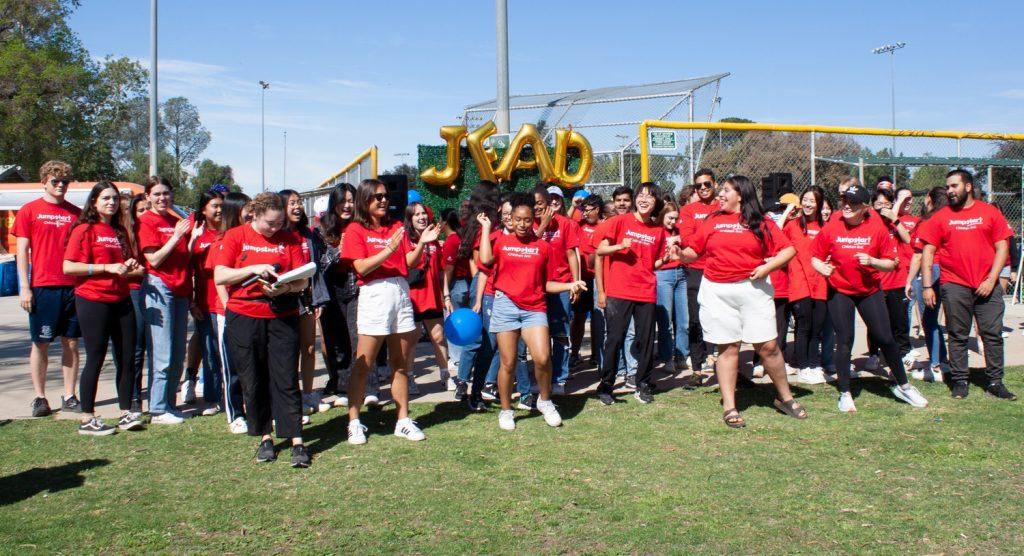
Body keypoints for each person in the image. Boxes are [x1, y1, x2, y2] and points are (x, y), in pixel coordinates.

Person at [679, 176, 804, 427]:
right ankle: (729, 406)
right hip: (717, 291)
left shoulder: (761, 222)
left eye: (725, 191)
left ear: (740, 195)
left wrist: (768, 267)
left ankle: (785, 397)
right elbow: (694, 252)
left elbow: (788, 250)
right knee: (728, 347)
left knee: (768, 346)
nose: (720, 195)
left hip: (754, 291)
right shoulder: (713, 220)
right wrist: (679, 254)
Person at [212, 192, 311, 467]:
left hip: (282, 314)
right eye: (270, 223)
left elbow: (302, 280)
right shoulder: (235, 236)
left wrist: (287, 286)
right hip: (244, 315)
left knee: (286, 377)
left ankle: (297, 441)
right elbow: (220, 275)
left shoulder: (289, 238)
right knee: (253, 379)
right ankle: (265, 437)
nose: (275, 229)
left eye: (279, 223)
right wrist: (254, 268)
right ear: (254, 215)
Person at [811, 184, 929, 412]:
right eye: (844, 200)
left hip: (869, 290)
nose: (846, 206)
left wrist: (873, 262)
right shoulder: (833, 223)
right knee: (844, 339)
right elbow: (814, 256)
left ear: (865, 207)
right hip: (840, 290)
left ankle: (903, 385)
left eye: (853, 203)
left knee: (885, 337)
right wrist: (821, 268)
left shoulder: (876, 226)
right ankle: (845, 392)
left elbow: (891, 263)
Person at [477, 193, 584, 430]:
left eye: (527, 220)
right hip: (505, 305)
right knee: (508, 362)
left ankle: (545, 402)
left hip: (534, 307)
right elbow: (484, 261)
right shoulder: (501, 241)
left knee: (543, 358)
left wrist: (570, 284)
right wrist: (485, 229)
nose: (523, 224)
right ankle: (506, 411)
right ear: (510, 220)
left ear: (532, 220)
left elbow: (547, 284)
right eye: (518, 220)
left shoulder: (543, 247)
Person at [341, 179, 430, 444]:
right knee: (363, 363)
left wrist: (422, 243)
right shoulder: (356, 230)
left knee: (401, 363)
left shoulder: (396, 227)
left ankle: (402, 419)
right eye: (377, 196)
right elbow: (361, 267)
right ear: (364, 200)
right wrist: (388, 249)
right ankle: (354, 421)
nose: (383, 200)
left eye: (385, 196)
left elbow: (407, 262)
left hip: (400, 292)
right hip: (374, 294)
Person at [917, 169, 1016, 401]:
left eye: (954, 186)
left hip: (987, 284)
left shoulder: (989, 212)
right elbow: (927, 251)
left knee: (992, 334)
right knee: (958, 334)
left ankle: (995, 381)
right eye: (948, 187)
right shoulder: (942, 216)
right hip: (954, 284)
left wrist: (992, 279)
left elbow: (1003, 247)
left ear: (968, 187)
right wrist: (927, 286)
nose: (950, 191)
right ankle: (960, 381)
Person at [62, 182, 144, 434]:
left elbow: (130, 267)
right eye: (106, 198)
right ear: (94, 201)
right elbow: (69, 267)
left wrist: (128, 264)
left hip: (121, 298)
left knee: (127, 357)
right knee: (96, 357)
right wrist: (105, 268)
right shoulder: (84, 229)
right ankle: (88, 417)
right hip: (93, 300)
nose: (111, 202)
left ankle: (125, 413)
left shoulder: (118, 231)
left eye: (115, 199)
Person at [593, 182, 679, 405]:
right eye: (640, 195)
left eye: (649, 197)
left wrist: (667, 259)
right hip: (619, 290)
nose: (643, 199)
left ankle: (643, 384)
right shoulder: (619, 221)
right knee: (614, 338)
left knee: (646, 340)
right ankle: (606, 385)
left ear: (656, 203)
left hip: (646, 292)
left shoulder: (658, 231)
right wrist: (620, 247)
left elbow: (654, 264)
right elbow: (600, 251)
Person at [13, 160, 82, 417]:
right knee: (41, 343)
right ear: (44, 182)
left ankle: (70, 395)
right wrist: (24, 287)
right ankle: (40, 398)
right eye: (55, 181)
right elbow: (21, 251)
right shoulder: (29, 211)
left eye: (65, 181)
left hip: (73, 287)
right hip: (43, 286)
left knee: (71, 343)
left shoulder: (76, 214)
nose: (61, 185)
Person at [280, 189, 329, 417]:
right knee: (289, 351)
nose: (297, 206)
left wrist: (318, 299)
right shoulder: (277, 235)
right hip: (284, 299)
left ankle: (308, 394)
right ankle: (291, 398)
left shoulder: (308, 235)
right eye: (292, 203)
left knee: (308, 348)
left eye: (299, 202)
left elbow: (316, 270)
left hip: (307, 299)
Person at [209, 191, 251, 433]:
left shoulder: (251, 238)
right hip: (229, 313)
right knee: (232, 366)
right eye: (247, 209)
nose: (251, 213)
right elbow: (219, 281)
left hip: (250, 312)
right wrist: (230, 309)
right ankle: (235, 414)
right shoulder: (222, 241)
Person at [534, 186, 581, 394]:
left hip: (561, 286)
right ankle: (542, 378)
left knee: (560, 334)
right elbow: (529, 246)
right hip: (535, 288)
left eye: (542, 203)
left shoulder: (566, 224)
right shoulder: (527, 223)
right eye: (534, 203)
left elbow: (572, 254)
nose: (538, 207)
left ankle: (559, 379)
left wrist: (576, 282)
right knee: (539, 336)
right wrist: (543, 225)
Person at [865, 188, 917, 373]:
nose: (883, 208)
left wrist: (895, 219)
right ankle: (873, 354)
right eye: (879, 204)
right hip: (876, 282)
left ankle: (904, 353)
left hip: (897, 281)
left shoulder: (897, 223)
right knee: (876, 323)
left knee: (899, 321)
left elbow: (908, 239)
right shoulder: (869, 224)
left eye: (887, 204)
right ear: (872, 206)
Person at [677, 169, 720, 383]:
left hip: (721, 268)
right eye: (699, 186)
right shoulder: (688, 210)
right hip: (695, 269)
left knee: (723, 318)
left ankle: (727, 368)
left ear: (715, 184)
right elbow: (687, 240)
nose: (703, 188)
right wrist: (713, 239)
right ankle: (697, 370)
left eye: (707, 184)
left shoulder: (724, 206)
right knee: (695, 320)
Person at [318, 184, 359, 403]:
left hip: (356, 288)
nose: (347, 205)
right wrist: (338, 251)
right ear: (334, 203)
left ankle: (354, 385)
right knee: (335, 340)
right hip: (331, 290)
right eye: (342, 200)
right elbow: (320, 264)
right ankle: (340, 384)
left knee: (355, 338)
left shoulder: (361, 225)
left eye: (351, 200)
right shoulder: (323, 228)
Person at [186, 189, 225, 415]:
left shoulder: (229, 232)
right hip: (204, 303)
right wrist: (192, 303)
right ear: (203, 209)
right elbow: (186, 267)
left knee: (224, 352)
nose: (219, 210)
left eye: (221, 205)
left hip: (227, 303)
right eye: (214, 206)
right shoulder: (197, 234)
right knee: (210, 351)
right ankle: (212, 398)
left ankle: (228, 395)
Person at [784, 186, 829, 384]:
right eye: (805, 200)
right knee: (803, 326)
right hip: (799, 283)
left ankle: (814, 364)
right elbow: (779, 245)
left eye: (813, 201)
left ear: (819, 204)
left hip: (820, 284)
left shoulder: (825, 227)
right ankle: (803, 367)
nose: (808, 204)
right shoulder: (792, 226)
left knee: (817, 328)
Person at [904, 186, 949, 382]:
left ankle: (935, 366)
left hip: (931, 270)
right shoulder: (949, 218)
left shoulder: (928, 221)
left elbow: (918, 254)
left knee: (929, 319)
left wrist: (909, 280)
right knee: (936, 320)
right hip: (948, 270)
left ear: (930, 199)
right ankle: (943, 360)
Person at [404, 202, 449, 392]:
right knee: (412, 340)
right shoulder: (406, 238)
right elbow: (409, 263)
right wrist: (422, 242)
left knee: (439, 337)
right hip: (411, 298)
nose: (422, 217)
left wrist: (446, 296)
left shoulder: (434, 240)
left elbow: (441, 271)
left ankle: (445, 375)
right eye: (417, 215)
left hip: (431, 297)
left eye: (423, 213)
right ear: (410, 219)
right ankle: (409, 378)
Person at [654, 198, 689, 371]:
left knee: (683, 321)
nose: (673, 222)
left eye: (675, 218)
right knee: (665, 321)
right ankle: (667, 358)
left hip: (681, 274)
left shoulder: (678, 231)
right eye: (670, 218)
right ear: (662, 216)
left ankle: (682, 355)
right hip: (663, 275)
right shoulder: (656, 231)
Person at [570, 194, 604, 370]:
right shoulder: (578, 225)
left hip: (597, 280)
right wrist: (574, 206)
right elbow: (564, 223)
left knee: (598, 318)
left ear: (597, 209)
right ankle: (574, 353)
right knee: (578, 317)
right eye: (583, 210)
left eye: (588, 210)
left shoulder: (604, 227)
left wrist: (594, 256)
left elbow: (597, 255)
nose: (584, 213)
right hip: (580, 280)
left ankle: (596, 355)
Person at [122, 193, 149, 410]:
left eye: (148, 209)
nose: (145, 214)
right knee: (136, 346)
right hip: (133, 291)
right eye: (141, 210)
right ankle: (133, 397)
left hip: (153, 291)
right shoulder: (125, 236)